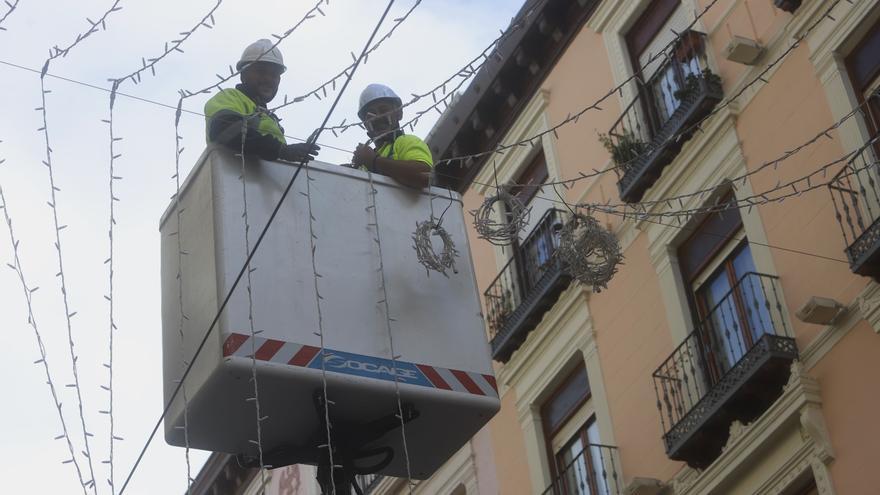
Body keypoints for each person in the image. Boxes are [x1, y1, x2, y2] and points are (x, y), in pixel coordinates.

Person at [204, 39, 319, 163]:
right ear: (243, 75)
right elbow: (225, 130)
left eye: (274, 75)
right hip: (237, 178)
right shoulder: (230, 97)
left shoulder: (269, 117)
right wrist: (279, 150)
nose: (268, 79)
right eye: (261, 71)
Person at [350, 84, 433, 188]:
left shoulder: (406, 141)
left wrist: (374, 161)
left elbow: (424, 176)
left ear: (399, 113)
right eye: (371, 114)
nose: (377, 118)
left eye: (383, 110)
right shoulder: (365, 161)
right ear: (365, 124)